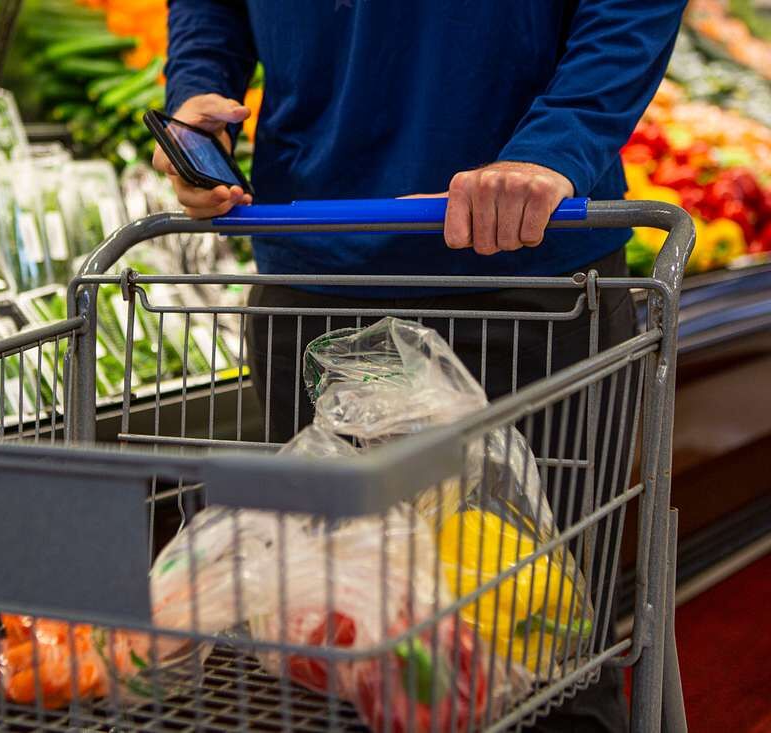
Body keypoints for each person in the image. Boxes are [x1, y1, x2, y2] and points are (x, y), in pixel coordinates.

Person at [154, 2, 687, 731]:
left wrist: (556, 143)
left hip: (527, 282)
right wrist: (197, 89)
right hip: (312, 276)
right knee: (335, 668)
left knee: (540, 665)